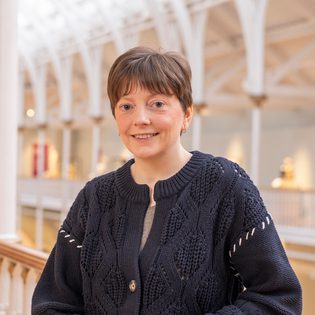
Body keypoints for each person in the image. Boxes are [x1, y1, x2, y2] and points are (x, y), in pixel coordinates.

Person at [32, 46, 302, 314]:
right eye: (126, 106)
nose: (140, 119)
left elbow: (278, 298)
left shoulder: (226, 185)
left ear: (187, 114)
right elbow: (53, 302)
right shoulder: (94, 198)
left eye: (157, 104)